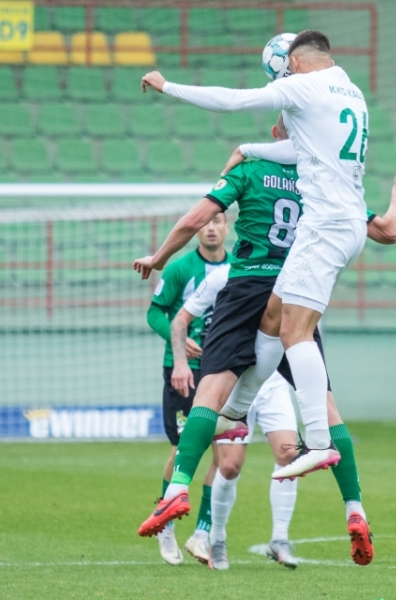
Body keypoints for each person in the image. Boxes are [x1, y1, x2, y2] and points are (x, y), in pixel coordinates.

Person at [134, 112, 396, 566]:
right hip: (295, 294)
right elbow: (388, 231)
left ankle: (178, 489)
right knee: (325, 408)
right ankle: (355, 508)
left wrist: (160, 257)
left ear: (275, 132)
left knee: (211, 396)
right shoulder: (325, 179)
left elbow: (196, 217)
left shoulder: (250, 169)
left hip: (246, 286)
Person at [140, 30, 371, 486]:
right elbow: (303, 150)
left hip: (321, 228)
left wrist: (168, 86)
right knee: (278, 322)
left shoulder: (303, 85)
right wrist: (250, 149)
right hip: (350, 223)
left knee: (294, 331)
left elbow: (233, 100)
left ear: (294, 64)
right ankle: (240, 414)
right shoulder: (352, 93)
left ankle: (318, 442)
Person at [171, 263, 300, 570]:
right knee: (229, 466)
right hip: (232, 379)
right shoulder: (224, 276)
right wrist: (180, 357)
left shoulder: (287, 274)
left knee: (289, 455)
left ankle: (280, 539)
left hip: (272, 382)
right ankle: (217, 539)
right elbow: (181, 319)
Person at [145, 214, 230, 565]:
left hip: (223, 371)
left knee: (224, 455)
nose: (210, 227)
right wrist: (178, 346)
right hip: (184, 372)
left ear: (227, 227)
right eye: (205, 222)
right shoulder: (180, 269)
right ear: (196, 229)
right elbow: (155, 313)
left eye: (218, 221)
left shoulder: (239, 267)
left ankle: (202, 534)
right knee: (182, 449)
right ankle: (165, 526)